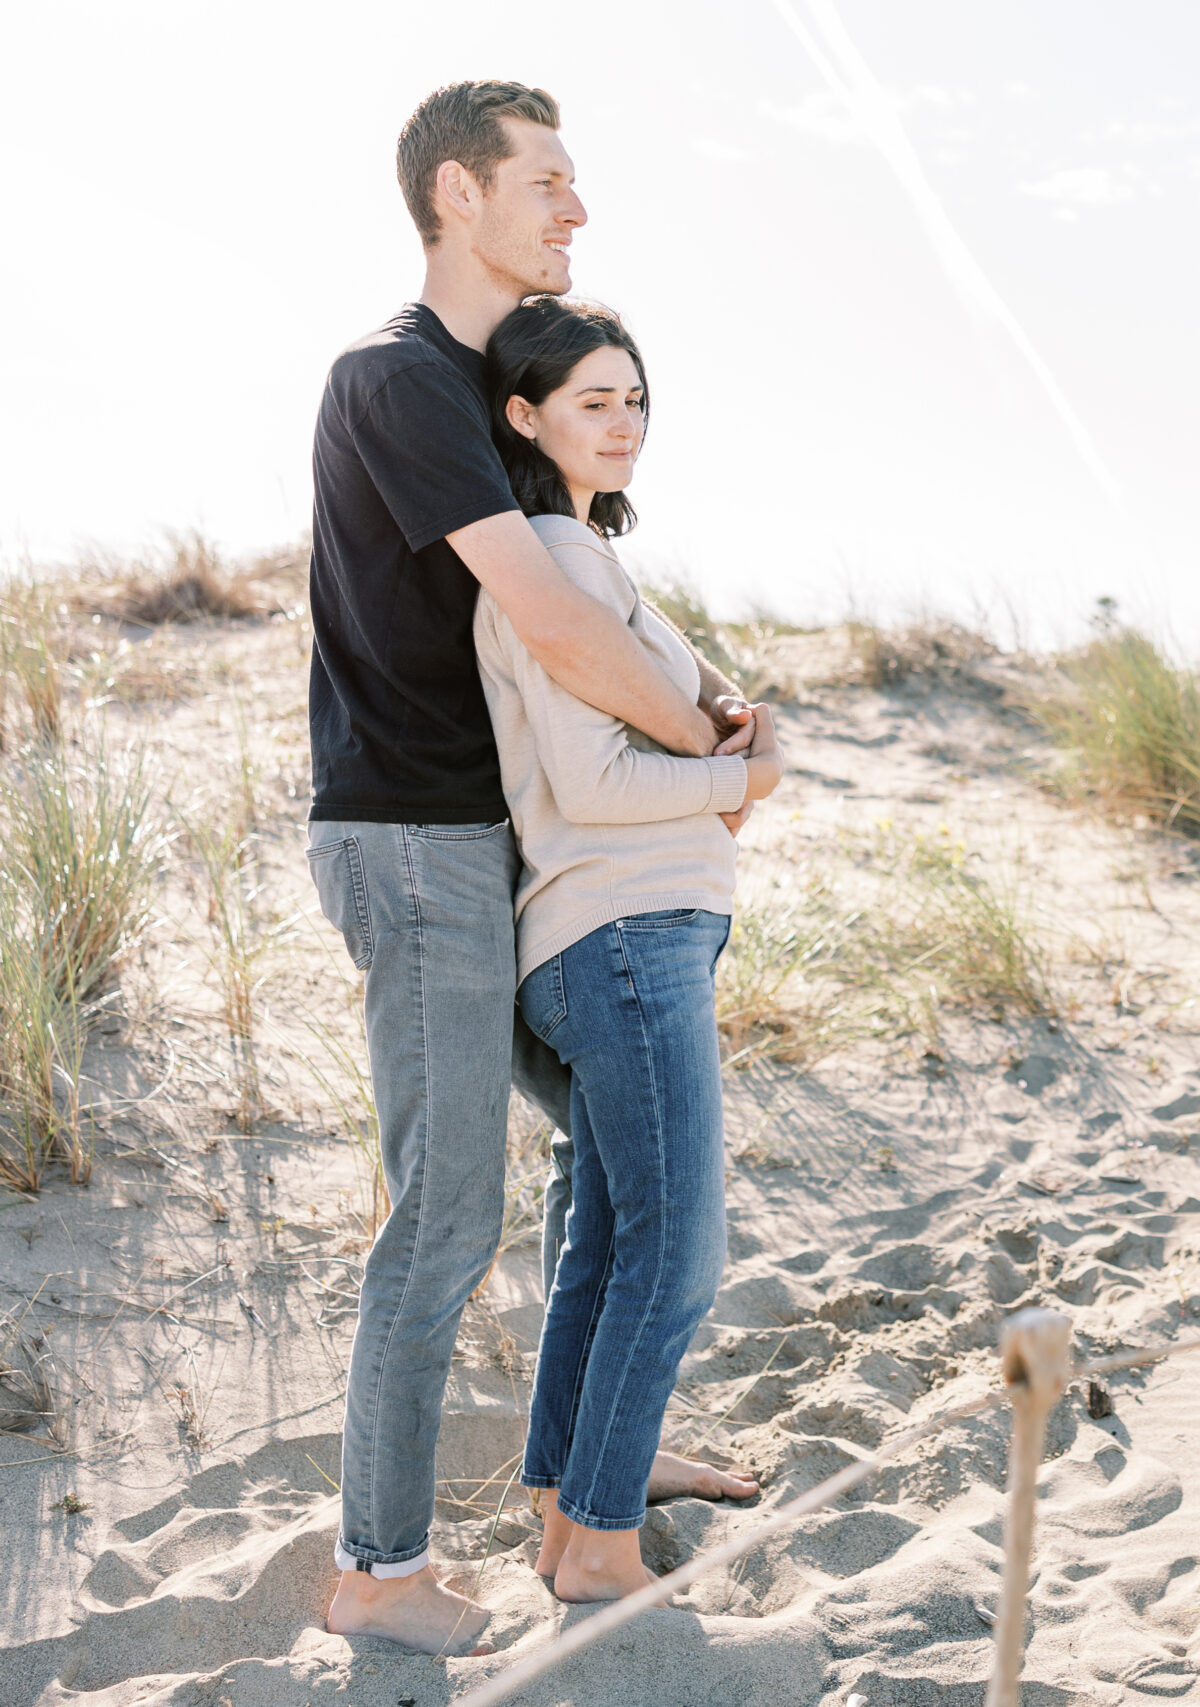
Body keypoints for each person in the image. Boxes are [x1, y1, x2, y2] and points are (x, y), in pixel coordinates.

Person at [303, 81, 754, 1655]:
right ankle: (379, 1568)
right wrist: (715, 745)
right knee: (442, 1219)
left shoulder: (483, 384)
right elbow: (556, 625)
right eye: (548, 183)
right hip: (415, 842)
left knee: (610, 1160)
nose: (576, 211)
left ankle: (588, 1473)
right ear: (455, 197)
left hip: (487, 848)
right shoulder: (398, 377)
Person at [475, 294, 778, 1601]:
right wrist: (733, 784)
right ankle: (596, 1548)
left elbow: (718, 716)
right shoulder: (553, 560)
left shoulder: (591, 564)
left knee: (608, 1241)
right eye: (592, 400)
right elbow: (598, 786)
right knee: (676, 1252)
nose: (624, 422)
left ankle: (565, 1496)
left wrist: (737, 737)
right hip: (620, 938)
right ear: (525, 417)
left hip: (629, 937)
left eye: (636, 397)